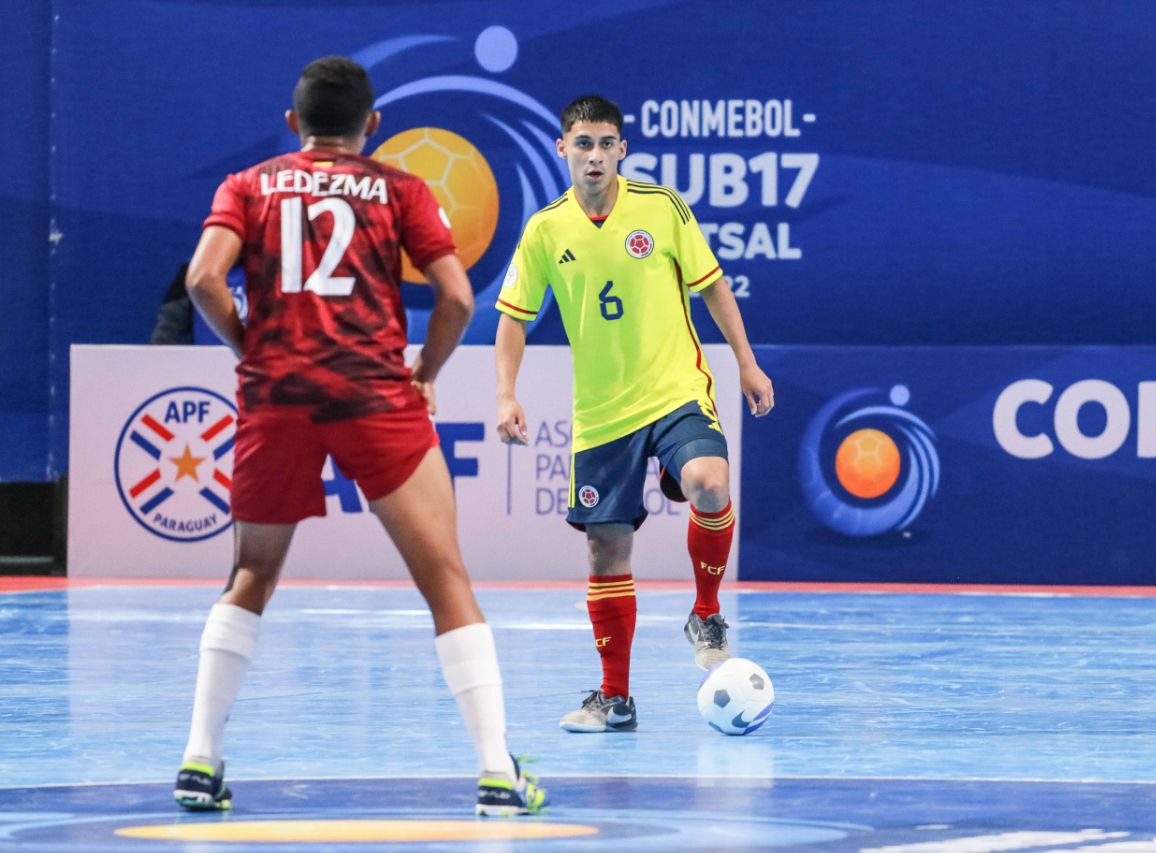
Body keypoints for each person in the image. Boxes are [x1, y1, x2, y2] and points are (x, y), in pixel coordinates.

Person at [175, 56, 545, 816]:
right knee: (445, 577)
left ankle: (198, 760)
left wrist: (254, 347)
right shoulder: (401, 188)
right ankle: (497, 772)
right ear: (373, 127)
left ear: (293, 124)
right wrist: (427, 371)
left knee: (250, 573)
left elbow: (201, 280)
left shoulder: (245, 185)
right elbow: (455, 294)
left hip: (276, 397)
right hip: (373, 397)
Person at [493, 95, 775, 733]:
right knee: (606, 551)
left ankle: (705, 610)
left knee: (710, 481)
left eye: (607, 143)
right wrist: (506, 393)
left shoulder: (663, 207)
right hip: (601, 415)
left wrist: (747, 363)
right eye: (583, 143)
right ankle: (614, 698)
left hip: (676, 389)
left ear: (622, 150)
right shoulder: (545, 229)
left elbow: (713, 286)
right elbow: (512, 318)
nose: (595, 155)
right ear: (561, 149)